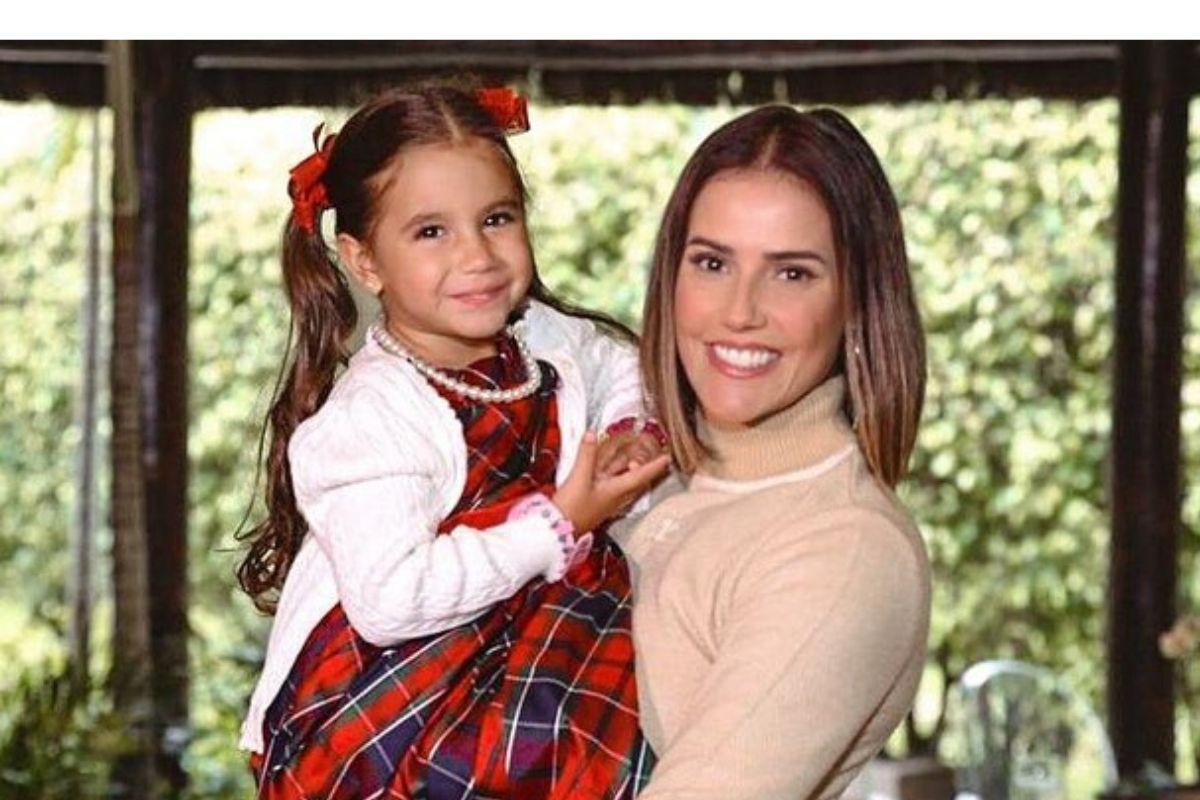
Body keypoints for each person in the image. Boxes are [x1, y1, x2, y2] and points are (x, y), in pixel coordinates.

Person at [236, 84, 669, 799]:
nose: (478, 256)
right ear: (364, 261)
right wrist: (558, 526)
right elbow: (391, 601)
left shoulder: (545, 340)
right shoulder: (373, 415)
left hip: (546, 648)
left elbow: (622, 364)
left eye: (496, 218)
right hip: (400, 699)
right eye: (432, 232)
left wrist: (629, 430)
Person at [615, 105, 932, 799]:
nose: (739, 312)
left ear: (856, 300)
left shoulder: (845, 547)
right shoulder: (635, 474)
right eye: (712, 263)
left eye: (791, 274)